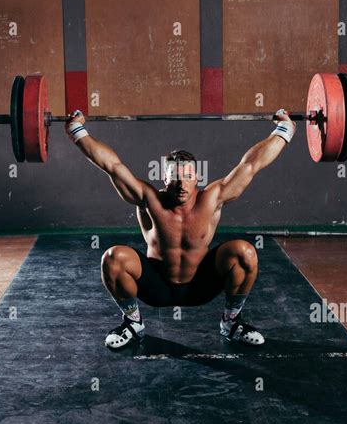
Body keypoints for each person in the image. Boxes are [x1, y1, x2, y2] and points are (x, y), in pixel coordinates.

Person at [65, 110, 295, 349]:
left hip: (199, 286)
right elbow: (111, 166)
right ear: (164, 179)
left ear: (197, 177)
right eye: (174, 176)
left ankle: (231, 321)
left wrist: (284, 130)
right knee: (113, 258)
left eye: (187, 176)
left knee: (245, 252)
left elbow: (251, 165)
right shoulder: (149, 199)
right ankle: (133, 323)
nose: (181, 183)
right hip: (156, 287)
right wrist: (76, 130)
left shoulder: (212, 198)